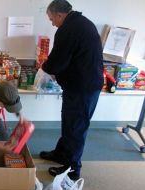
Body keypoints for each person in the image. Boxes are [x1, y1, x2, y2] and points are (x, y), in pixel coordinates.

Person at [39, 0, 103, 180]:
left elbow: (57, 61)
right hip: (81, 84)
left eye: (52, 19)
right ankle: (61, 154)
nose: (52, 23)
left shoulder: (69, 29)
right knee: (69, 122)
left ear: (60, 15)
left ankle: (73, 169)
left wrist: (46, 68)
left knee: (76, 127)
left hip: (83, 88)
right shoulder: (81, 23)